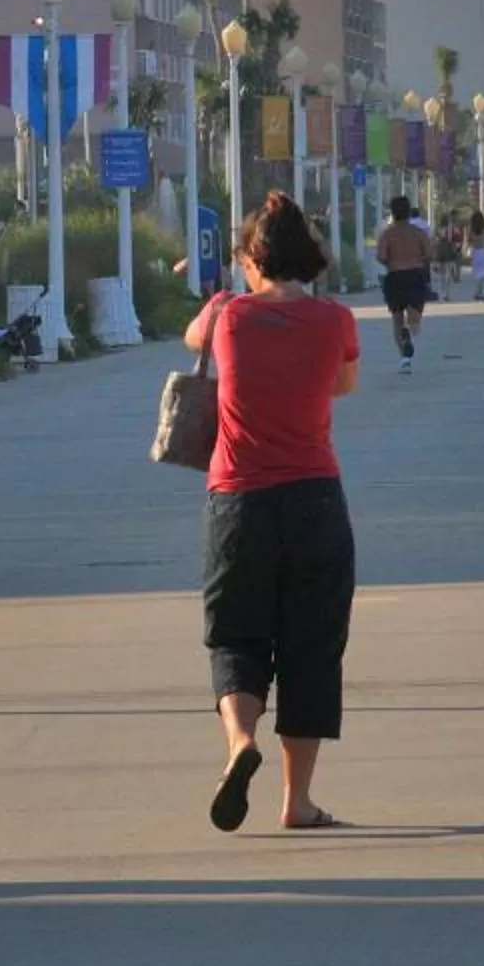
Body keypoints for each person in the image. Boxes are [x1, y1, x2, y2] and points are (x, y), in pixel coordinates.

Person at [185, 193, 359, 839]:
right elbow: (344, 386)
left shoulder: (226, 314)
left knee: (235, 636)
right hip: (316, 500)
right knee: (313, 649)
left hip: (237, 502)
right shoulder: (336, 321)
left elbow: (191, 341)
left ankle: (238, 744)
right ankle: (299, 802)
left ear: (254, 259)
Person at [374, 196, 432, 374]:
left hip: (395, 275)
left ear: (392, 212)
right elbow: (429, 253)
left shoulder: (387, 234)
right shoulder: (418, 233)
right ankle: (409, 329)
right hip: (415, 275)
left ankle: (404, 358)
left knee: (396, 318)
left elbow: (381, 256)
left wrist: (392, 260)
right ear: (408, 212)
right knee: (415, 316)